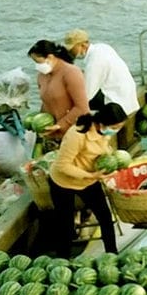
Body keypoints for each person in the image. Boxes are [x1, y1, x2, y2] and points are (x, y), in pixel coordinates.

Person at [46, 102, 126, 255]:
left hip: (89, 180)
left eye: (119, 127)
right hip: (63, 182)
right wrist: (91, 175)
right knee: (66, 225)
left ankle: (112, 254)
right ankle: (63, 260)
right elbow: (63, 165)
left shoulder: (104, 132)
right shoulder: (77, 135)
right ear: (102, 122)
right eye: (114, 127)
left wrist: (114, 163)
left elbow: (103, 151)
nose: (115, 131)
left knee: (105, 217)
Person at [64, 29, 140, 148]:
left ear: (82, 45)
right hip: (127, 95)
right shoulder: (102, 47)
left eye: (72, 48)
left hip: (117, 103)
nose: (70, 52)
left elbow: (87, 94)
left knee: (84, 108)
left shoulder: (94, 62)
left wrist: (69, 113)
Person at [29, 40, 88, 140]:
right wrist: (37, 121)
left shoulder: (71, 73)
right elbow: (45, 103)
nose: (37, 66)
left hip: (73, 132)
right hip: (51, 133)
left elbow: (82, 108)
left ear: (50, 57)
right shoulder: (42, 76)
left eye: (38, 62)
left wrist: (60, 125)